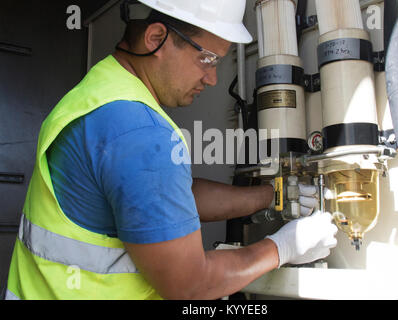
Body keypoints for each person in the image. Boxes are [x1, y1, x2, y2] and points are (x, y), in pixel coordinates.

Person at [5, 0, 337, 300]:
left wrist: (272, 195)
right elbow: (191, 285)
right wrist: (282, 248)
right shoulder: (138, 130)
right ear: (156, 38)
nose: (212, 78)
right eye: (206, 58)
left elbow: (165, 199)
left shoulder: (100, 91)